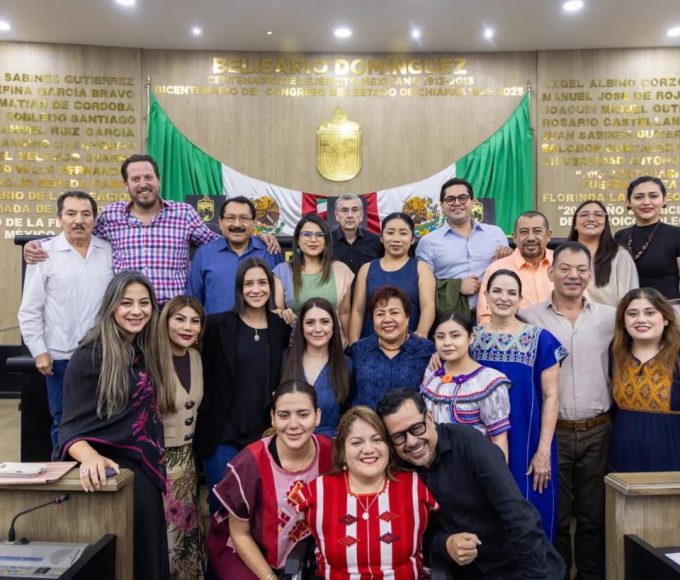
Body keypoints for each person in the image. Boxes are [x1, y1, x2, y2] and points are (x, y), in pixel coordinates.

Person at [24, 154, 280, 304]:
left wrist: (259, 236)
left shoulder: (183, 214)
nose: (143, 183)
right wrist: (38, 244)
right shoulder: (112, 215)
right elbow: (79, 230)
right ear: (126, 185)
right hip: (127, 312)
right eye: (135, 179)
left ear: (158, 180)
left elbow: (220, 240)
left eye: (148, 177)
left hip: (171, 314)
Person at [55, 271, 175, 580]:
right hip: (108, 474)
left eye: (144, 303)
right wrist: (91, 458)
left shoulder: (147, 350)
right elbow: (69, 428)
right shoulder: (89, 356)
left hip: (143, 470)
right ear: (111, 307)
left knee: (148, 555)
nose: (137, 311)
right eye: (126, 303)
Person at [378, 389, 565, 580]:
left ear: (430, 418)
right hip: (466, 573)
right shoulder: (398, 471)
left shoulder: (469, 444)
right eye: (398, 436)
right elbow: (408, 534)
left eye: (417, 428)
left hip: (522, 567)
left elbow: (519, 517)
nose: (411, 441)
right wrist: (444, 543)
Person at [522, 241, 615, 580]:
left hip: (598, 431)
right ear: (551, 273)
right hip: (552, 435)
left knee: (594, 518)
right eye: (565, 268)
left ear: (590, 274)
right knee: (555, 517)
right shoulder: (528, 318)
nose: (573, 275)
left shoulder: (611, 317)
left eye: (581, 269)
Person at [471, 269, 567, 542]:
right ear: (486, 296)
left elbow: (551, 396)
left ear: (520, 299)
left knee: (532, 517)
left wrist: (543, 451)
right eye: (497, 291)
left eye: (511, 293)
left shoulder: (541, 340)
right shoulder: (471, 339)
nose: (504, 298)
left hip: (529, 442)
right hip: (482, 443)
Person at [207, 380, 333, 580]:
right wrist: (269, 577)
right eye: (284, 415)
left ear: (317, 416)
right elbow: (240, 534)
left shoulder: (332, 453)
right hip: (245, 547)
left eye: (303, 414)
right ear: (272, 418)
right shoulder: (250, 462)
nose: (293, 424)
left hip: (304, 549)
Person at [296, 406, 437, 580]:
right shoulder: (317, 492)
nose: (369, 449)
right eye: (357, 443)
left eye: (377, 440)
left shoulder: (413, 485)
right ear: (342, 451)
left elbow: (437, 533)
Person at [196, 257, 291, 513]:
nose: (256, 289)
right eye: (249, 284)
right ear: (239, 288)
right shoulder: (217, 325)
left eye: (262, 283)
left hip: (262, 435)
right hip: (222, 434)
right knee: (222, 509)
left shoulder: (280, 327)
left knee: (257, 510)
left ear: (271, 287)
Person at [18, 191, 113, 448]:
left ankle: (99, 472)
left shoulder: (108, 251)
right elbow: (30, 310)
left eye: (86, 214)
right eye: (71, 214)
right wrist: (39, 352)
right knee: (64, 421)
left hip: (104, 355)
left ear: (94, 219)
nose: (78, 220)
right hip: (61, 357)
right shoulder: (44, 253)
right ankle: (64, 474)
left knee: (104, 420)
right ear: (60, 219)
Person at [159, 295, 206, 579]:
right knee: (165, 537)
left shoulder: (196, 357)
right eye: (180, 319)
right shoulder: (151, 359)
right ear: (165, 321)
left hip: (187, 461)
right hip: (158, 462)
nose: (187, 327)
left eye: (194, 321)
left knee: (186, 536)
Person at [421, 311, 511, 460]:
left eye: (455, 336)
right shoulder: (431, 375)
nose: (447, 343)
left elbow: (499, 440)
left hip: (473, 465)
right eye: (440, 337)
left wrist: (500, 473)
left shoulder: (488, 381)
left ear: (471, 338)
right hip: (434, 465)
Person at [415, 177, 510, 316]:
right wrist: (457, 286)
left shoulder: (496, 234)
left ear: (473, 201)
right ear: (442, 205)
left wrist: (510, 257)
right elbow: (423, 287)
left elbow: (509, 273)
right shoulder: (428, 242)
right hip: (450, 317)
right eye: (450, 199)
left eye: (463, 198)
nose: (457, 203)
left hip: (493, 315)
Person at [610, 287, 680, 471]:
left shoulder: (678, 355)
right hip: (622, 457)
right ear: (623, 321)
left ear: (665, 318)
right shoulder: (616, 353)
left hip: (671, 458)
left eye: (650, 313)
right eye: (632, 314)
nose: (641, 319)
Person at [187, 196, 283, 315]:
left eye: (244, 218)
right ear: (220, 222)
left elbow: (281, 297)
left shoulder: (270, 250)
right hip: (215, 326)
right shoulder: (204, 254)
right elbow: (193, 302)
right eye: (230, 218)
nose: (237, 224)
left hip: (262, 326)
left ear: (254, 223)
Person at [349, 212, 435, 343]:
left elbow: (428, 306)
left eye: (403, 233)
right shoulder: (366, 269)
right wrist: (354, 343)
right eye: (390, 233)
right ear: (381, 237)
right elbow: (358, 311)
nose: (396, 239)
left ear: (412, 239)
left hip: (409, 344)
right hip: (371, 344)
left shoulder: (421, 268)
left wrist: (420, 336)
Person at [349, 285, 435, 409]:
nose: (387, 319)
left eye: (394, 312)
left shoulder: (426, 350)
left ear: (407, 317)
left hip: (411, 421)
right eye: (380, 314)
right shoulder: (358, 350)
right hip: (367, 420)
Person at [274, 214, 354, 338]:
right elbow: (276, 310)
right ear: (298, 240)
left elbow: (345, 313)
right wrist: (283, 312)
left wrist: (351, 343)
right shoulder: (282, 271)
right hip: (296, 343)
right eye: (307, 234)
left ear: (326, 240)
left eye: (319, 235)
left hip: (334, 344)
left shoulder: (341, 271)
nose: (313, 239)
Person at [280, 297, 351, 436]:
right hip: (290, 440)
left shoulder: (347, 364)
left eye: (324, 322)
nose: (317, 329)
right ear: (301, 327)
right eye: (310, 322)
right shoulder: (285, 359)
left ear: (333, 326)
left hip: (330, 443)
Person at [476, 211, 554, 324]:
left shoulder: (562, 264)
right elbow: (486, 318)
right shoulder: (497, 269)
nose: (531, 238)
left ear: (548, 235)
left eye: (537, 231)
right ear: (514, 237)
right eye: (524, 232)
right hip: (514, 334)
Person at [614, 176, 680, 300]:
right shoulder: (620, 236)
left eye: (653, 196)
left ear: (664, 200)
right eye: (639, 197)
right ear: (628, 202)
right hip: (629, 308)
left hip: (668, 308)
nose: (646, 202)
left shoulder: (676, 234)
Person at [568, 199, 638, 306]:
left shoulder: (620, 256)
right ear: (575, 224)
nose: (591, 219)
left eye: (598, 215)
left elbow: (630, 300)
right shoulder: (561, 256)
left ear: (605, 224)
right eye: (584, 215)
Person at [331, 192, 382, 275]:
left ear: (361, 215)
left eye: (354, 210)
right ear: (336, 215)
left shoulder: (376, 241)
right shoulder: (326, 241)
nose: (350, 215)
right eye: (344, 210)